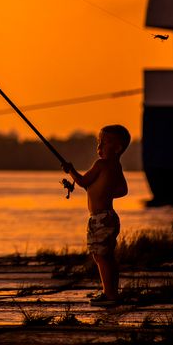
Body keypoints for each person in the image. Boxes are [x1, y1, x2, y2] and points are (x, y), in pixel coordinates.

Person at [62, 124, 130, 306]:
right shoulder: (116, 166)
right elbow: (123, 190)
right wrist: (104, 191)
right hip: (109, 217)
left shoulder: (100, 165)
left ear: (117, 148)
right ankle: (112, 292)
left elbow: (83, 181)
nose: (98, 148)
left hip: (100, 218)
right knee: (106, 256)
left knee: (100, 257)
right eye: (98, 143)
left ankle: (110, 295)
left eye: (104, 143)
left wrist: (70, 170)